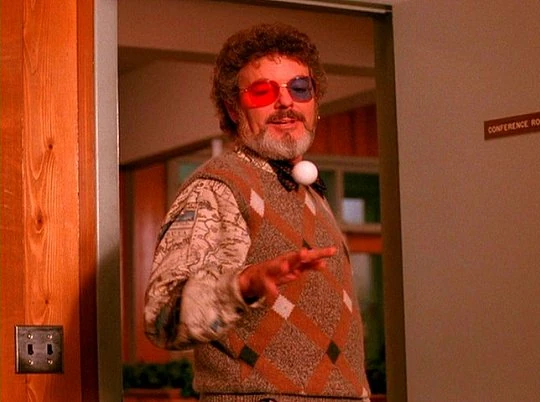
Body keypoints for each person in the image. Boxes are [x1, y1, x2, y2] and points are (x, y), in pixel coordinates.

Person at [144, 22, 371, 402]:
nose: (286, 102)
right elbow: (163, 317)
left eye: (299, 88)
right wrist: (244, 285)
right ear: (233, 109)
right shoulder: (218, 187)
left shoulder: (310, 193)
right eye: (263, 91)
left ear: (314, 102)